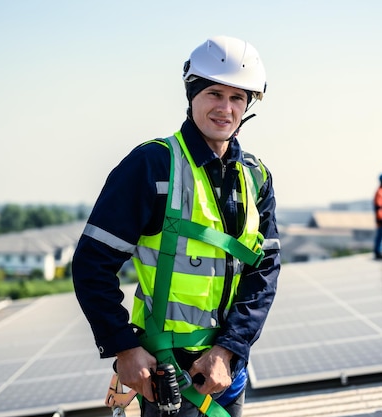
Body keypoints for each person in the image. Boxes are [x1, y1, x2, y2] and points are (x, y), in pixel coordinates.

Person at [71, 35, 280, 417]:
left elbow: (263, 273)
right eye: (215, 93)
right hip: (169, 372)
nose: (226, 108)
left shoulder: (256, 176)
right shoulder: (152, 165)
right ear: (192, 95)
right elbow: (91, 265)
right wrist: (125, 347)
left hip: (229, 369)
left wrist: (229, 349)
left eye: (238, 98)